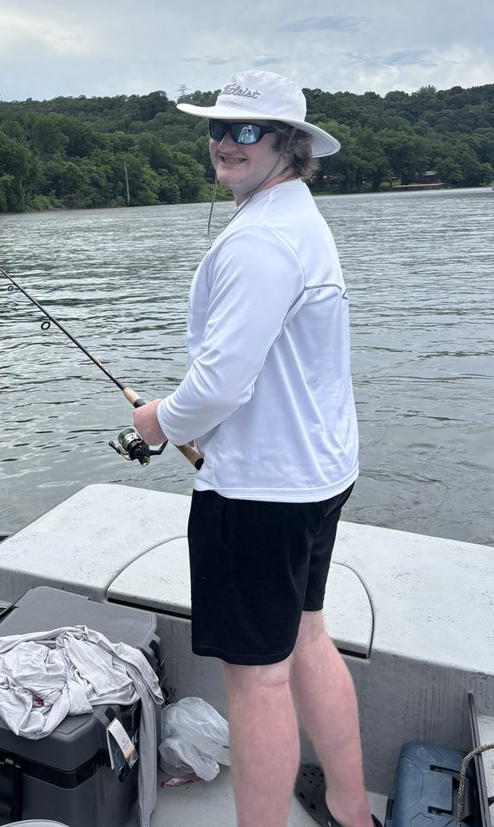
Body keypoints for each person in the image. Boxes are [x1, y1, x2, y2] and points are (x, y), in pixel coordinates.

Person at [133, 70, 379, 827]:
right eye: (216, 128)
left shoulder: (261, 241)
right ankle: (348, 809)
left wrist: (157, 423)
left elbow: (216, 388)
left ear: (288, 145)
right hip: (316, 476)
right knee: (308, 634)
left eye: (245, 131)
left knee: (258, 681)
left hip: (261, 494)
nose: (222, 144)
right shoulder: (298, 217)